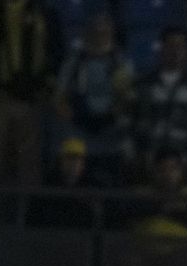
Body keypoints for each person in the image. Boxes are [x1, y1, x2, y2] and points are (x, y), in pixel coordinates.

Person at [0, 0, 63, 205]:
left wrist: (42, 85)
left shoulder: (45, 14)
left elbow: (56, 52)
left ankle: (29, 212)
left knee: (28, 161)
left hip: (31, 98)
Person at [53, 11, 132, 183]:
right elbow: (60, 96)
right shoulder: (74, 61)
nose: (99, 37)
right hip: (79, 128)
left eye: (104, 33)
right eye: (95, 32)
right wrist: (69, 113)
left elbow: (127, 99)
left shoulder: (120, 61)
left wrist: (118, 110)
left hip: (110, 129)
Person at [130, 25, 187, 179]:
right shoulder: (144, 85)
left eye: (180, 46)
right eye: (170, 45)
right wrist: (136, 157)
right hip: (149, 163)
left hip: (185, 164)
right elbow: (131, 123)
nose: (175, 51)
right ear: (161, 49)